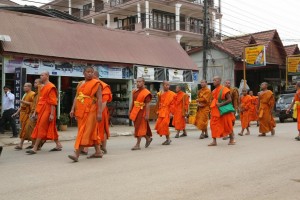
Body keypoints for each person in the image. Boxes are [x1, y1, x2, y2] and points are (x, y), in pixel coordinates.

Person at [68, 66, 103, 162]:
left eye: (92, 72)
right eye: (88, 72)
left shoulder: (96, 83)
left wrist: (99, 113)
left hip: (91, 110)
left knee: (85, 131)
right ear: (84, 73)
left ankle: (77, 153)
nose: (90, 73)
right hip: (81, 110)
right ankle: (98, 151)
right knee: (90, 131)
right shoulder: (80, 84)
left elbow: (100, 98)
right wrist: (72, 109)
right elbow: (77, 97)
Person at [26, 71, 62, 154]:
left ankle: (35, 148)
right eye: (40, 75)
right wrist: (36, 112)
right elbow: (40, 100)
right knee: (50, 127)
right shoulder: (42, 87)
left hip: (48, 109)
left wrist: (52, 114)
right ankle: (58, 144)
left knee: (41, 127)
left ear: (47, 76)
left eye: (42, 75)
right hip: (41, 109)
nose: (41, 76)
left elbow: (53, 102)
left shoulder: (51, 86)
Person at [81, 70, 112, 155]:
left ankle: (103, 147)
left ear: (95, 75)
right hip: (90, 109)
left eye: (91, 74)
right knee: (89, 128)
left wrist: (99, 113)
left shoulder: (103, 86)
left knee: (101, 129)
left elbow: (104, 102)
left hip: (100, 110)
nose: (89, 76)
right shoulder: (88, 84)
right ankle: (86, 148)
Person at [209, 76, 236, 146]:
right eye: (213, 80)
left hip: (223, 110)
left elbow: (230, 99)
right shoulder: (214, 91)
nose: (213, 81)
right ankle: (214, 141)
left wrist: (221, 104)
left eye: (215, 80)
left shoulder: (224, 89)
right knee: (213, 125)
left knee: (227, 124)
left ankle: (231, 139)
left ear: (219, 81)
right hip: (215, 111)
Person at [129, 77, 153, 150]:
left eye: (140, 82)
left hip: (142, 112)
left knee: (139, 128)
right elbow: (133, 102)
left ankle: (138, 144)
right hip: (135, 111)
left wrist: (147, 115)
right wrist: (130, 110)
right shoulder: (135, 91)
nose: (138, 83)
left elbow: (148, 104)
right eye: (137, 82)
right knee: (138, 127)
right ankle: (148, 139)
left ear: (143, 82)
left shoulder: (146, 93)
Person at [13, 83, 35, 150]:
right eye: (24, 86)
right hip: (23, 114)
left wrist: (23, 102)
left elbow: (34, 104)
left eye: (25, 86)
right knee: (24, 129)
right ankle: (32, 144)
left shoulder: (32, 94)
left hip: (29, 115)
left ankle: (22, 144)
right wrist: (16, 113)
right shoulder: (25, 94)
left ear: (29, 87)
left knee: (27, 130)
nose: (24, 87)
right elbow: (22, 106)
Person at [155, 81, 176, 145]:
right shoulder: (159, 93)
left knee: (165, 125)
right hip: (161, 111)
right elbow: (158, 103)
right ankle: (168, 139)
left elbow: (173, 104)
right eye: (166, 85)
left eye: (168, 85)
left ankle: (168, 139)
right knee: (159, 125)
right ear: (163, 85)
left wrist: (171, 113)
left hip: (167, 111)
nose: (167, 86)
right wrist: (157, 110)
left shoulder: (172, 94)